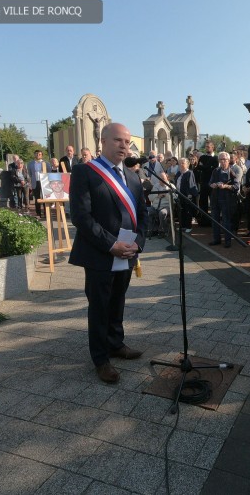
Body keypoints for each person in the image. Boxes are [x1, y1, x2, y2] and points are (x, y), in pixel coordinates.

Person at [68, 122, 148, 384]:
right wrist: (110, 244)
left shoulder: (134, 176)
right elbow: (81, 217)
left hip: (127, 252)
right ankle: (100, 359)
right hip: (100, 252)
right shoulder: (85, 172)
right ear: (102, 141)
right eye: (118, 141)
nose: (124, 146)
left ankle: (116, 344)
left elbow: (143, 216)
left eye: (127, 142)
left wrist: (138, 242)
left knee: (118, 300)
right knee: (100, 305)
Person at [209, 151, 241, 248]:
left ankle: (227, 241)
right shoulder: (216, 171)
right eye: (221, 159)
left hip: (226, 200)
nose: (223, 161)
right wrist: (213, 185)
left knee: (226, 221)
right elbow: (210, 182)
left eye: (225, 159)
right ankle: (216, 239)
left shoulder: (232, 172)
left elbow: (236, 186)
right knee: (215, 220)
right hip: (215, 199)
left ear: (228, 160)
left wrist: (225, 186)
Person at [197, 141, 218, 226]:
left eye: (208, 147)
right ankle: (204, 220)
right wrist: (207, 167)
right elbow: (199, 167)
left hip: (212, 183)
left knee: (213, 203)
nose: (207, 148)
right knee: (203, 202)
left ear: (212, 147)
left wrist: (204, 167)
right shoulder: (202, 157)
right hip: (203, 183)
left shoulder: (216, 158)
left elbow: (214, 169)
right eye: (206, 147)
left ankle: (214, 221)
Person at [176, 157, 198, 233]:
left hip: (187, 195)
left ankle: (188, 226)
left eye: (183, 163)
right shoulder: (179, 173)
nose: (181, 165)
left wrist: (190, 195)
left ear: (187, 164)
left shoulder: (189, 173)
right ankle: (182, 226)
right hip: (179, 194)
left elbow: (191, 185)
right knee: (181, 211)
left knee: (187, 211)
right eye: (180, 163)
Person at [28, 150, 48, 217]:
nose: (38, 155)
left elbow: (49, 172)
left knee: (44, 197)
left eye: (39, 154)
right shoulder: (30, 164)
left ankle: (46, 212)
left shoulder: (46, 163)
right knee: (37, 198)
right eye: (36, 154)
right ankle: (38, 213)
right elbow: (30, 173)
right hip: (35, 182)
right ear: (34, 155)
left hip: (43, 182)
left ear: (42, 155)